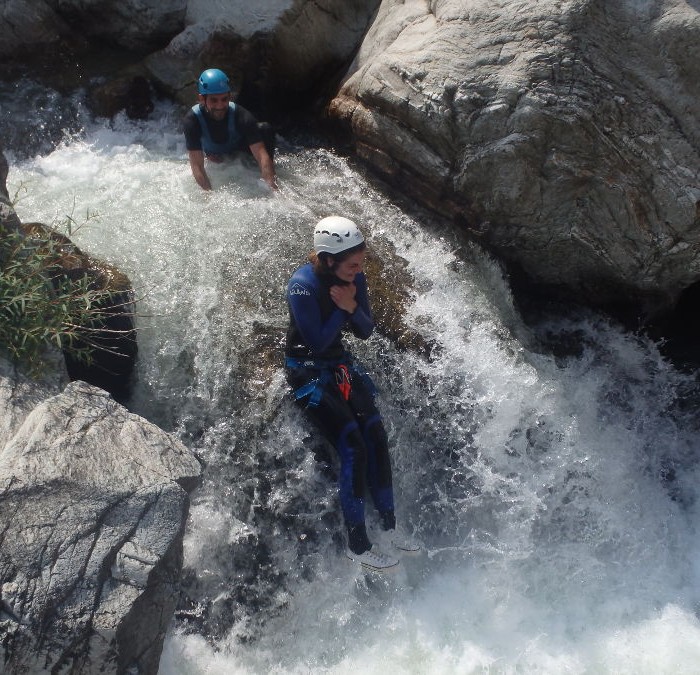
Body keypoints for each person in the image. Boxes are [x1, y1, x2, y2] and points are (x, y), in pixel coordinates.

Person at [284, 216, 419, 571]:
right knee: (353, 446)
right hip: (306, 370)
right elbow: (316, 340)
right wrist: (344, 308)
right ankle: (357, 544)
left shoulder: (353, 278)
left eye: (361, 261)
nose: (360, 269)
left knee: (374, 433)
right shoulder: (302, 285)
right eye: (353, 263)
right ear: (328, 260)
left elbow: (365, 330)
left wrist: (352, 306)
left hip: (338, 363)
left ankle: (390, 526)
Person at [183, 68, 277, 191]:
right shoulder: (192, 120)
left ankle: (265, 173)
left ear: (230, 96)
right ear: (202, 99)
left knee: (265, 129)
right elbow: (197, 166)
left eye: (224, 99)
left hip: (239, 148)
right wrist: (209, 197)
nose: (220, 105)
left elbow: (261, 155)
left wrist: (273, 189)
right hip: (215, 154)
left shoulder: (241, 115)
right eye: (214, 100)